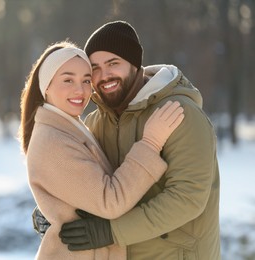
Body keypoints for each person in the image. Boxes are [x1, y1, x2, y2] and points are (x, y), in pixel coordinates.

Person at [50, 21, 221, 259]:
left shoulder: (180, 113)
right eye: (95, 68)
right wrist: (56, 211)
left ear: (135, 64)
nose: (104, 75)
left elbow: (187, 198)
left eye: (113, 64)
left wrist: (111, 231)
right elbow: (89, 185)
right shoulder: (96, 122)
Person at [19, 40, 184, 259]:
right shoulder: (53, 140)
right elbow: (111, 201)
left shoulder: (70, 128)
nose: (80, 90)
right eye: (68, 79)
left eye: (86, 80)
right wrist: (151, 142)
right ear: (46, 85)